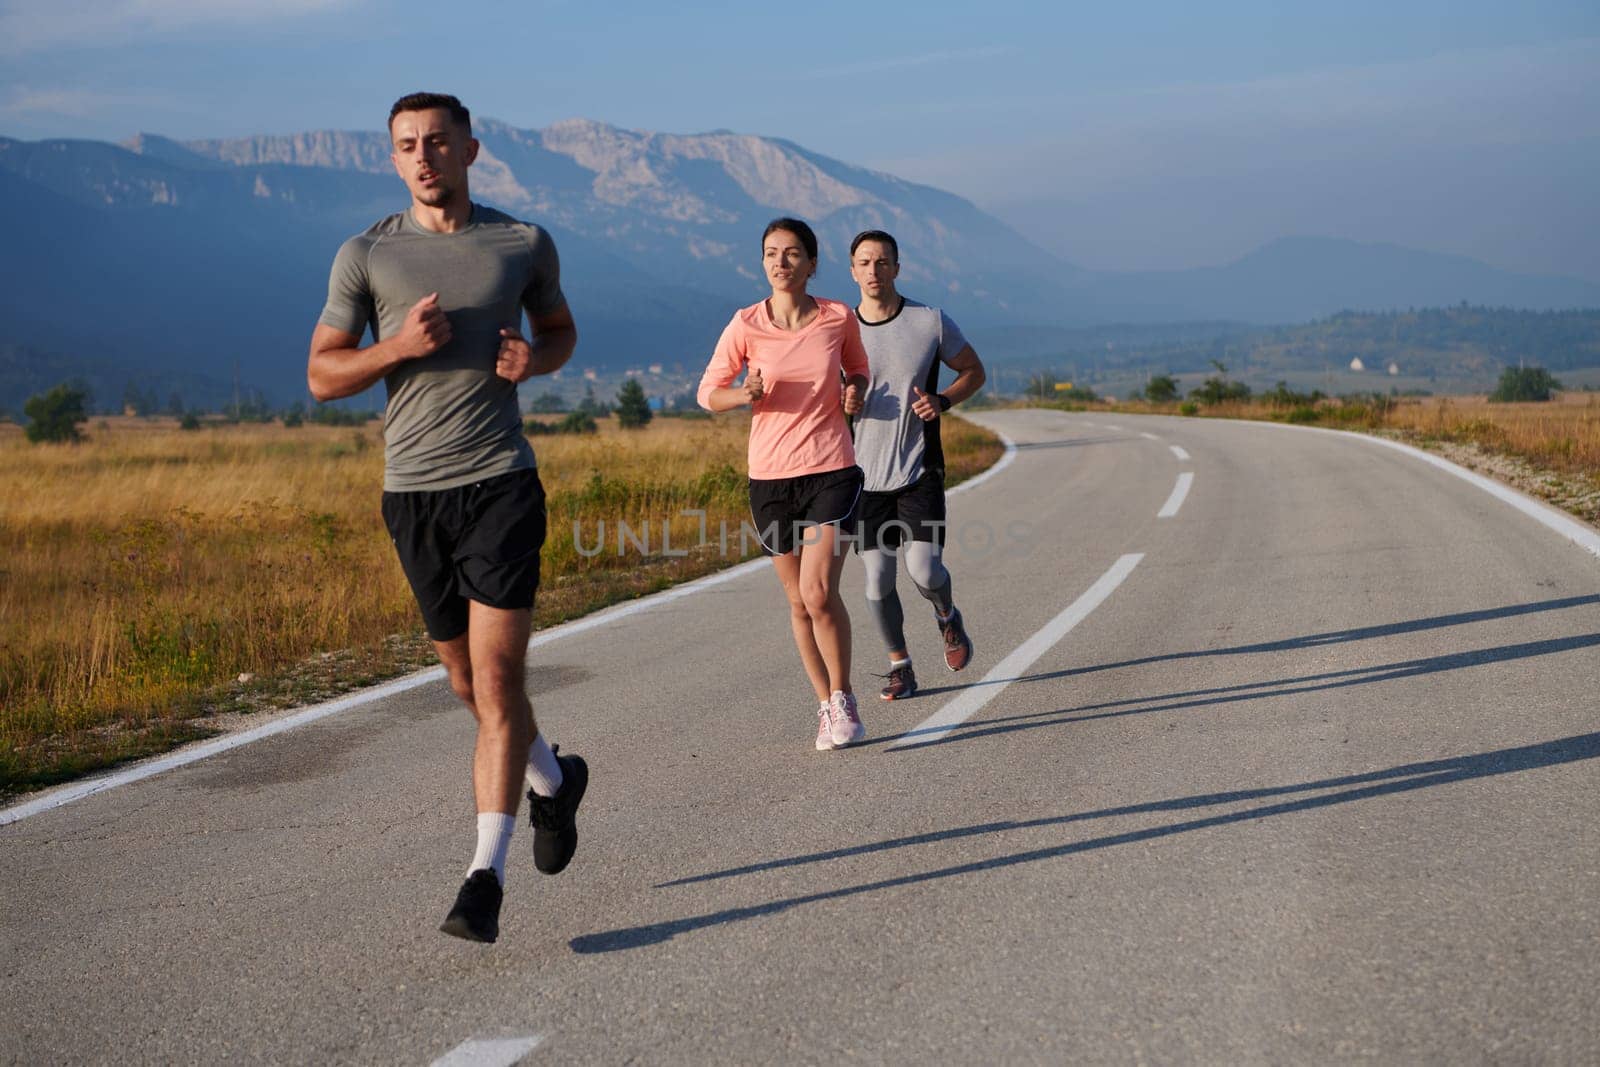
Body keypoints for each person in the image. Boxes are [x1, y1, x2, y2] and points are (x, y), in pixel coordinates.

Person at [307, 92, 585, 944]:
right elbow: (322, 375)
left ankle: (482, 877)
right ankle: (553, 779)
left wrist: (533, 361)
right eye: (405, 146)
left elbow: (563, 329)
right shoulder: (367, 255)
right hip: (412, 493)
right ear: (393, 159)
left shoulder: (522, 242)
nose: (423, 157)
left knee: (498, 684)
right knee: (466, 685)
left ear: (470, 148)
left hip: (500, 482)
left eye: (436, 142)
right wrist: (395, 347)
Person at [697, 217, 871, 751]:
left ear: (812, 264)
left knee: (819, 593)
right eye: (771, 253)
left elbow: (859, 370)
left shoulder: (838, 317)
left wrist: (855, 392)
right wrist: (742, 393)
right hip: (770, 477)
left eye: (793, 253)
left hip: (830, 469)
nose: (780, 262)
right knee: (798, 603)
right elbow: (708, 392)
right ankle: (824, 705)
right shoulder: (746, 324)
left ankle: (843, 697)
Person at [848, 229, 987, 701]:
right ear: (852, 271)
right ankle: (900, 667)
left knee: (925, 571)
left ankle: (947, 616)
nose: (874, 271)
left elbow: (974, 371)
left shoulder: (929, 321)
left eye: (882, 262)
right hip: (862, 478)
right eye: (864, 263)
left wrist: (943, 399)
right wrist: (840, 400)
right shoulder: (837, 328)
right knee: (877, 578)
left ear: (897, 268)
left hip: (918, 468)